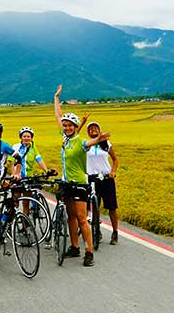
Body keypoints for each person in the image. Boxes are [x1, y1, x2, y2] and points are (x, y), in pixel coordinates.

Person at [54, 85, 111, 267]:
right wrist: (56, 98)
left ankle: (89, 252)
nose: (67, 127)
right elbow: (58, 116)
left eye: (70, 126)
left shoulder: (79, 142)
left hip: (79, 183)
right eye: (65, 125)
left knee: (80, 218)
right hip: (66, 183)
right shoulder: (65, 139)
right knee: (70, 217)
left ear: (75, 127)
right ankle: (74, 246)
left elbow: (90, 142)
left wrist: (99, 138)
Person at [86, 121, 120, 245]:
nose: (93, 130)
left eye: (95, 128)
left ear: (100, 131)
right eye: (90, 129)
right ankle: (96, 231)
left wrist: (113, 171)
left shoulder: (106, 144)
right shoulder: (87, 145)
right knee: (94, 207)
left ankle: (115, 232)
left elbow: (115, 160)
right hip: (92, 179)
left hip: (106, 178)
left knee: (111, 207)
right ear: (88, 133)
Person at [12, 126, 55, 214]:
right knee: (15, 201)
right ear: (21, 137)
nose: (26, 138)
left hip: (28, 178)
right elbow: (11, 162)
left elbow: (39, 160)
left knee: (26, 203)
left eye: (29, 136)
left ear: (31, 138)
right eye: (24, 136)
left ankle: (26, 223)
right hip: (18, 178)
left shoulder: (33, 148)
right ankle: (12, 220)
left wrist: (46, 171)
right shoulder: (16, 147)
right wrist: (14, 175)